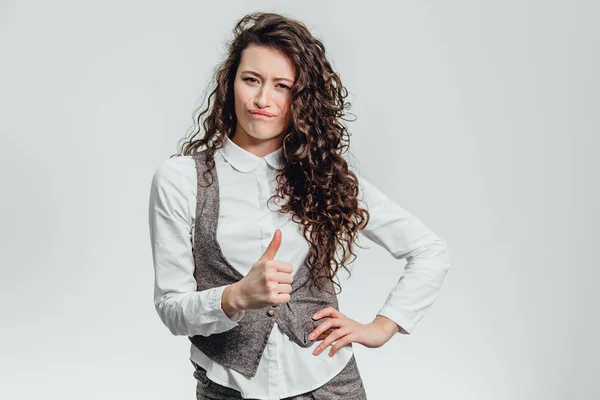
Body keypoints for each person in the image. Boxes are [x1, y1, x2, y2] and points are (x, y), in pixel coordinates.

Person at [148, 11, 451, 400]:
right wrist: (235, 296)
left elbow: (429, 250)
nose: (262, 99)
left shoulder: (326, 177)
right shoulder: (180, 179)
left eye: (282, 86)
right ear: (230, 85)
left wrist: (383, 326)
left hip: (328, 384)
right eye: (251, 80)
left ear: (301, 98)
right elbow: (171, 308)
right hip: (228, 388)